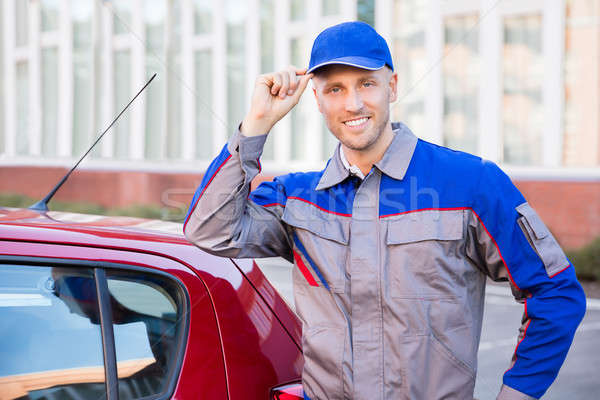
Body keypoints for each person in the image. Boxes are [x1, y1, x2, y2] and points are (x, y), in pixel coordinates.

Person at [183, 21, 586, 400]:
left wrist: (517, 393)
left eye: (367, 83)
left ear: (392, 86)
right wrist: (256, 125)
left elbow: (556, 293)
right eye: (335, 89)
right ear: (317, 100)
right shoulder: (297, 198)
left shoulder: (470, 183)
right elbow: (209, 230)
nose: (354, 103)